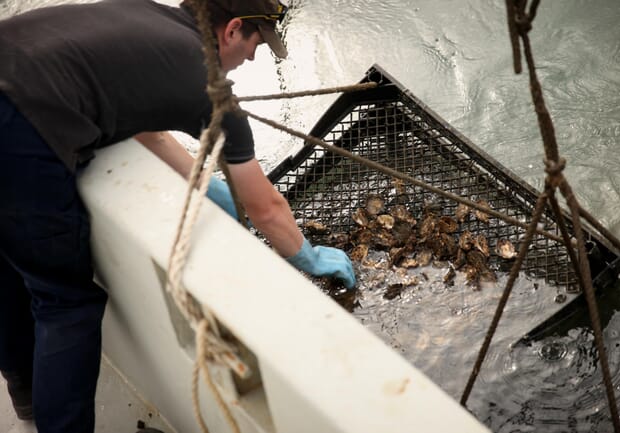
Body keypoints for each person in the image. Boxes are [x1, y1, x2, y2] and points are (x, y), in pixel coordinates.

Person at [0, 0, 356, 432]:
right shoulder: (207, 81)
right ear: (233, 29)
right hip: (19, 124)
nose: (252, 59)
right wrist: (308, 255)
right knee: (65, 303)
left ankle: (28, 402)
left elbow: (141, 121)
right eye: (256, 45)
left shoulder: (149, 19)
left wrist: (203, 182)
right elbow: (266, 209)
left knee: (11, 269)